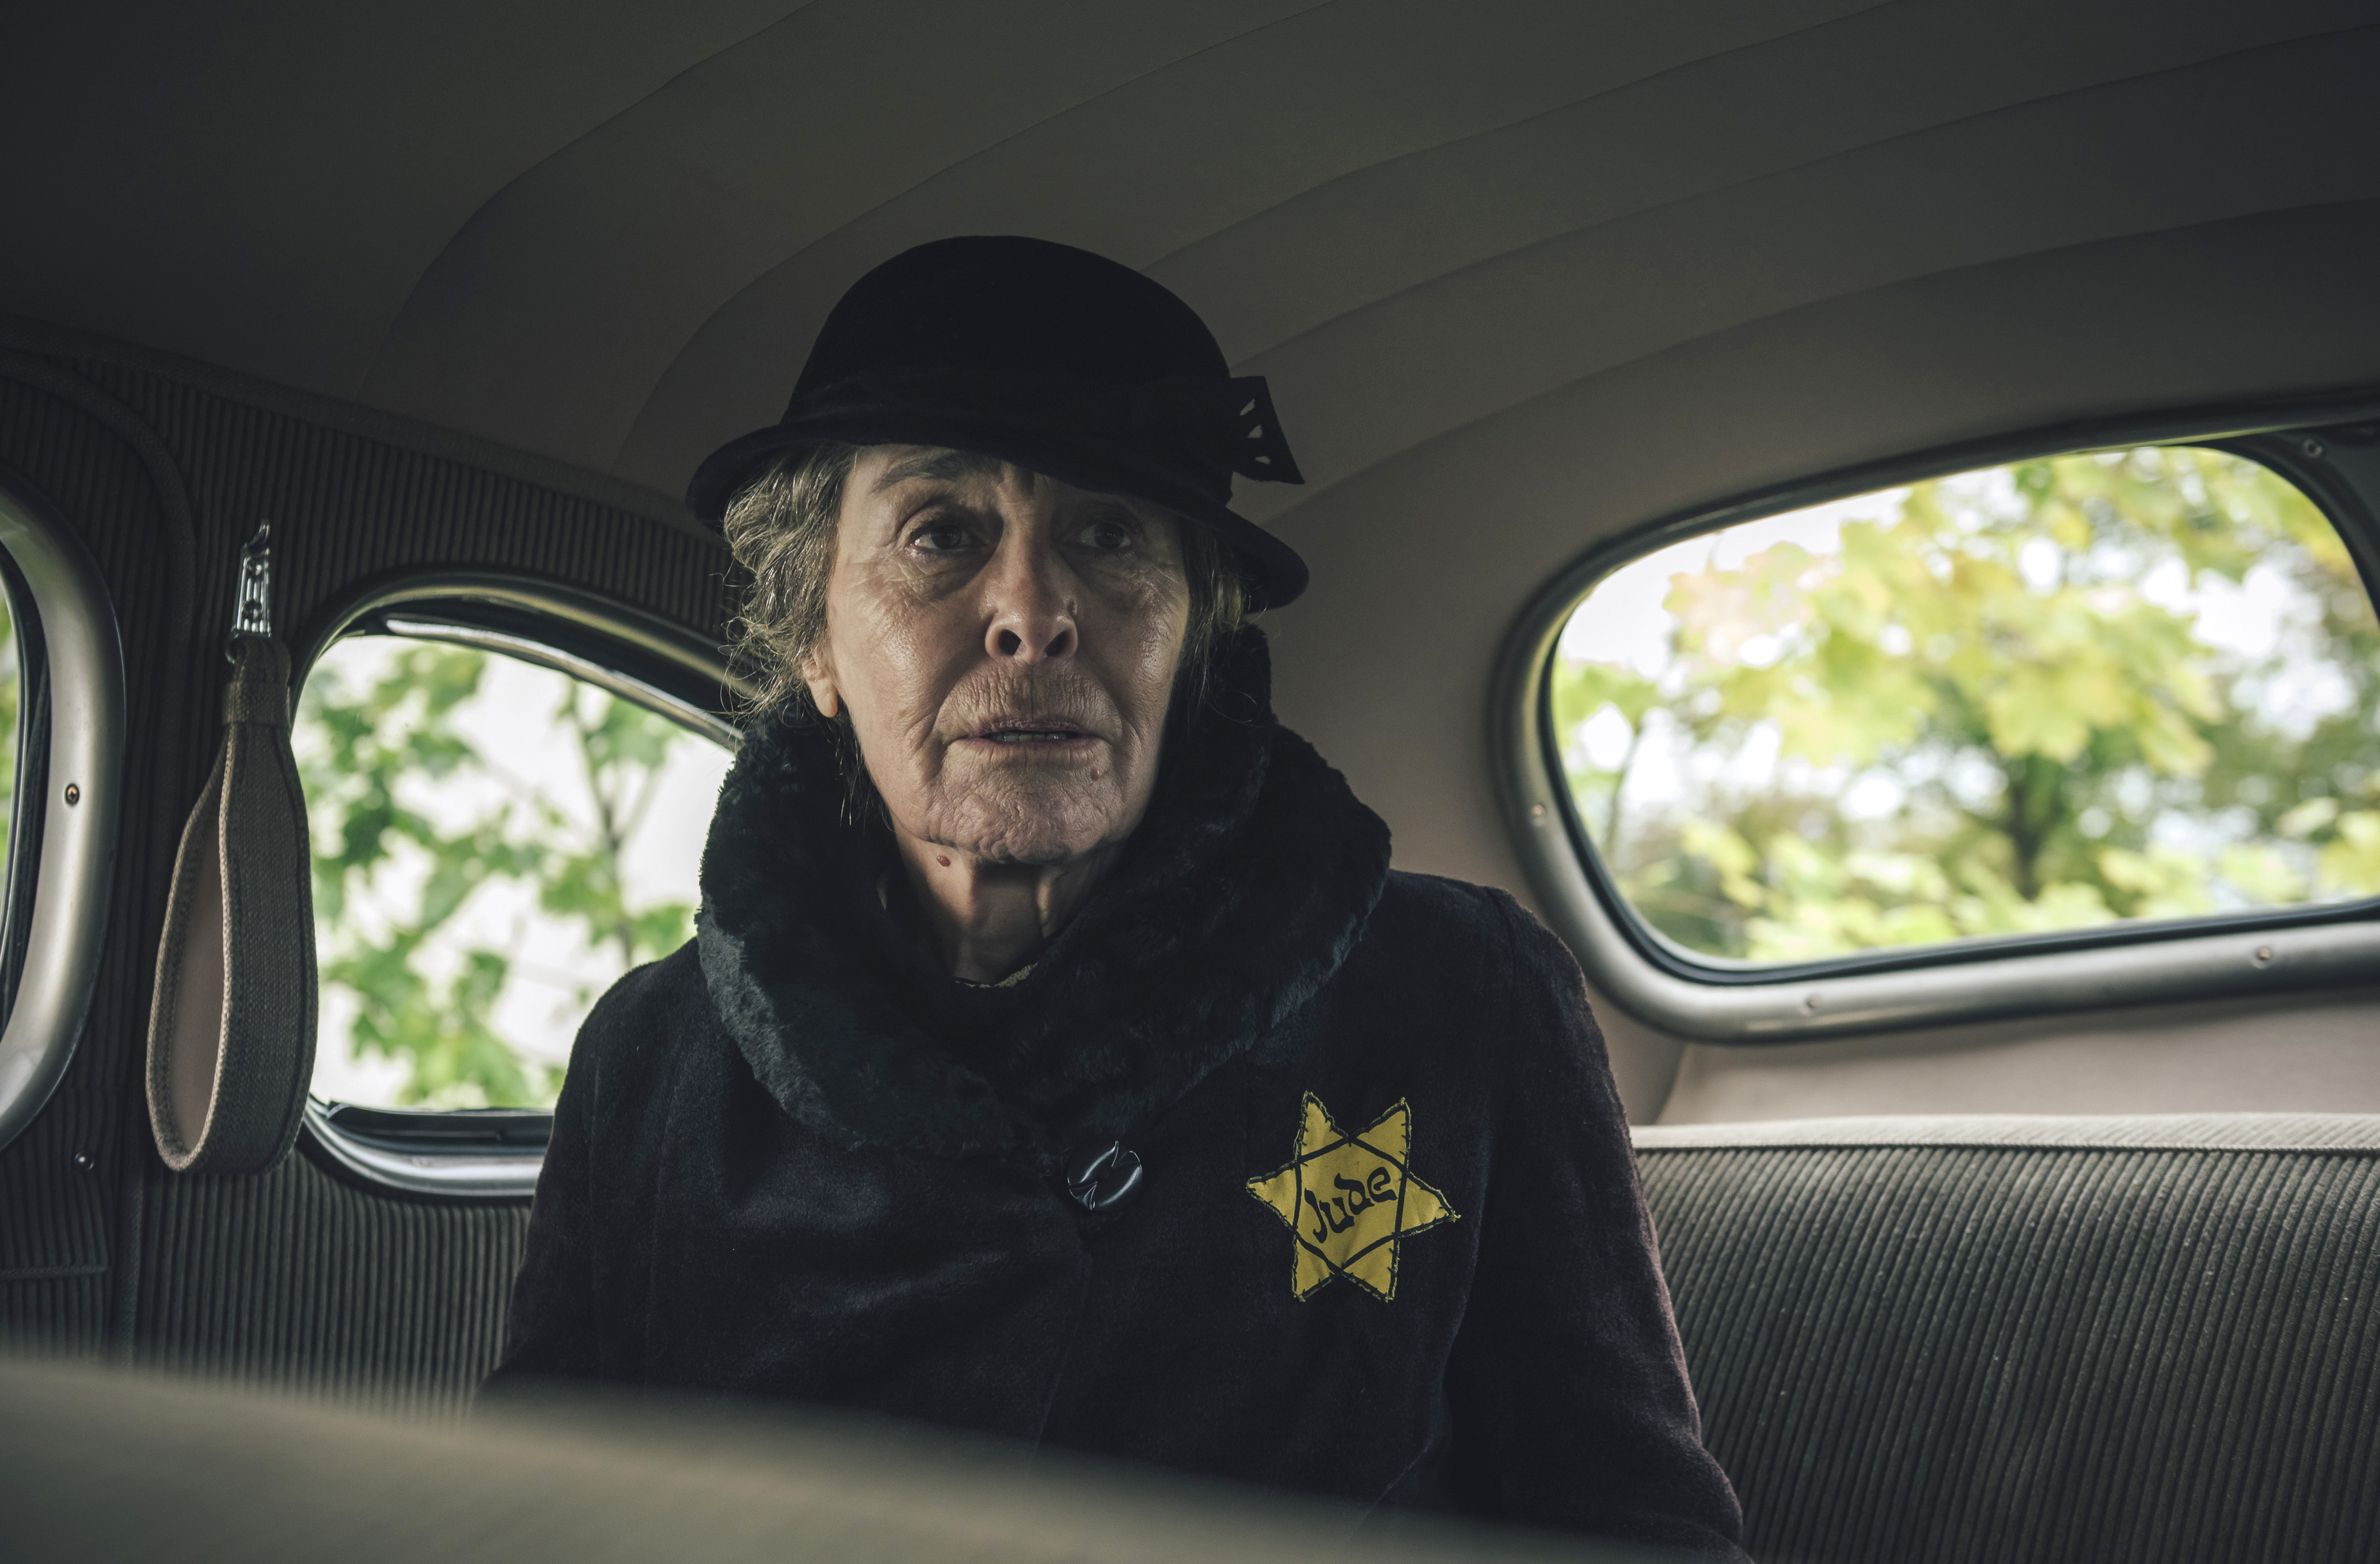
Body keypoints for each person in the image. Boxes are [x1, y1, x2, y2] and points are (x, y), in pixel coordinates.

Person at [491, 236, 1746, 1558]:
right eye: (941, 535)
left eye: (1110, 535)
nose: (1033, 613)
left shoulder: (1455, 992)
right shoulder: (650, 1060)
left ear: (1194, 635)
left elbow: (1640, 1532)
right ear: (816, 642)